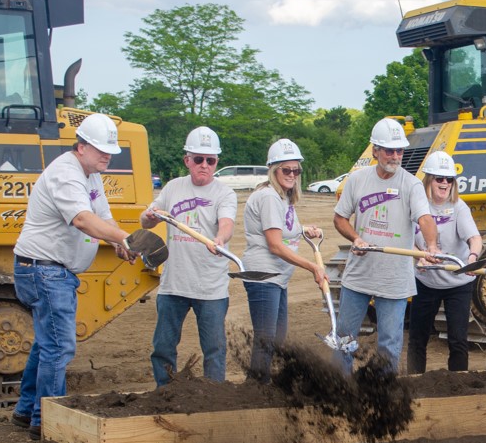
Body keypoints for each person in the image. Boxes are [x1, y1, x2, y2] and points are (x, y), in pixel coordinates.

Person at [10, 113, 136, 439]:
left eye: (110, 150)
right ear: (81, 146)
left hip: (49, 269)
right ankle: (48, 422)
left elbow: (101, 216)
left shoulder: (90, 175)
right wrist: (123, 237)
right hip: (45, 270)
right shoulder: (67, 174)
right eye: (100, 149)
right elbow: (82, 220)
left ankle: (26, 411)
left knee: (46, 344)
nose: (107, 155)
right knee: (59, 347)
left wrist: (116, 242)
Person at [334, 118, 438, 374]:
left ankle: (383, 394)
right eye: (389, 150)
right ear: (375, 150)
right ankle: (339, 388)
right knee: (344, 338)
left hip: (394, 279)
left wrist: (432, 246)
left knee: (390, 344)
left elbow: (425, 218)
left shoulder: (411, 184)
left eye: (399, 150)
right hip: (359, 275)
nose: (395, 156)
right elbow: (339, 219)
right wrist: (355, 238)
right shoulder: (357, 180)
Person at [140, 126, 237, 385]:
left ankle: (213, 397)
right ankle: (165, 392)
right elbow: (147, 221)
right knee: (163, 347)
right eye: (198, 159)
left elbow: (227, 224)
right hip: (174, 285)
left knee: (214, 350)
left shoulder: (225, 194)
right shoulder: (173, 188)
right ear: (187, 160)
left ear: (216, 162)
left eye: (210, 160)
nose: (204, 165)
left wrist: (220, 238)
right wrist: (149, 215)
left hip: (211, 287)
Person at [241, 138, 328, 381]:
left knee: (276, 337)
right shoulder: (269, 197)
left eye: (296, 169)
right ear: (273, 170)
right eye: (286, 169)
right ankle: (256, 388)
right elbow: (275, 245)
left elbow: (284, 229)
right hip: (263, 276)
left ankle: (262, 383)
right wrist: (312, 266)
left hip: (277, 278)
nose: (292, 174)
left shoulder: (283, 197)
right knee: (267, 338)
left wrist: (304, 230)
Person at [406, 151, 483, 374]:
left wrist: (472, 258)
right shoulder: (416, 206)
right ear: (428, 179)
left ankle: (458, 384)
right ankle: (415, 383)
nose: (445, 183)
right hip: (425, 282)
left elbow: (474, 238)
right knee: (417, 339)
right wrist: (419, 255)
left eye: (449, 179)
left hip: (457, 284)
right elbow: (404, 240)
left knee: (458, 340)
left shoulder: (459, 207)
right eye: (439, 178)